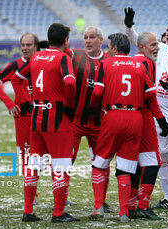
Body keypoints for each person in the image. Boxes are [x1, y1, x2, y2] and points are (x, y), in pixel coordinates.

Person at [125, 7, 168, 211]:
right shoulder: (161, 49)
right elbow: (138, 40)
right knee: (162, 155)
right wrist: (129, 26)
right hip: (161, 110)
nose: (167, 33)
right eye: (167, 30)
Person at [88, 33, 159, 223]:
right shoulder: (140, 65)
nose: (107, 50)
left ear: (115, 49)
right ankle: (124, 212)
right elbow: (151, 94)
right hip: (135, 118)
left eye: (109, 47)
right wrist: (160, 119)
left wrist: (95, 108)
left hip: (113, 115)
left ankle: (98, 207)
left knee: (100, 162)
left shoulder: (106, 63)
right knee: (127, 168)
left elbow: (97, 91)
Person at [12, 23, 79, 223]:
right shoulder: (63, 57)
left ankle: (28, 211)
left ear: (49, 39)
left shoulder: (35, 57)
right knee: (61, 166)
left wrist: (28, 102)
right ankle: (58, 213)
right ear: (66, 40)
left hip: (37, 117)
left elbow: (15, 79)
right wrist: (69, 105)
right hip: (57, 119)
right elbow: (69, 82)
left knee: (34, 164)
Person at [65, 26, 110, 211]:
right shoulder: (74, 55)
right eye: (85, 37)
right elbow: (57, 48)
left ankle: (101, 201)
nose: (88, 40)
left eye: (92, 37)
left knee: (102, 162)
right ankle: (62, 196)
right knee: (67, 160)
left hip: (99, 123)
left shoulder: (109, 60)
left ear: (101, 40)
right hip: (75, 121)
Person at [128, 32, 168, 220]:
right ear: (142, 47)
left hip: (125, 116)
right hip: (143, 117)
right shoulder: (146, 63)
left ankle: (129, 206)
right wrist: (160, 119)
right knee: (153, 161)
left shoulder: (129, 62)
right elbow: (150, 96)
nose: (157, 47)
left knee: (134, 163)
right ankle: (143, 205)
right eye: (153, 44)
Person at [0, 32, 38, 174]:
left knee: (49, 156)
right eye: (23, 45)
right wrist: (9, 103)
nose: (25, 48)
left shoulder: (42, 62)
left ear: (36, 46)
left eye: (29, 45)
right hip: (23, 117)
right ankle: (31, 194)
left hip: (43, 115)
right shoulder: (15, 65)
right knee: (26, 156)